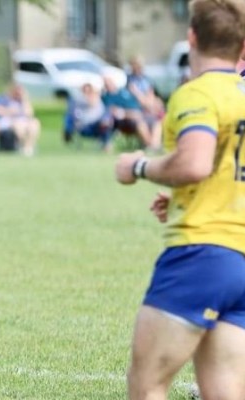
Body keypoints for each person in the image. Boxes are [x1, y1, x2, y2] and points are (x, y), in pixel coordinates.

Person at [114, 1, 245, 399]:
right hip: (240, 260)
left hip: (200, 257)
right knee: (223, 388)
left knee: (148, 383)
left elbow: (195, 162)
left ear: (191, 38)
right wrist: (182, 196)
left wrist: (139, 166)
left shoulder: (198, 93)